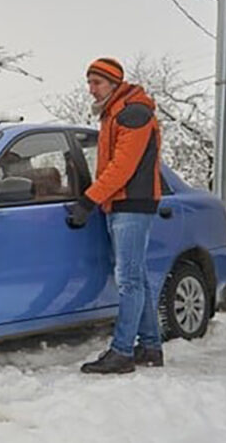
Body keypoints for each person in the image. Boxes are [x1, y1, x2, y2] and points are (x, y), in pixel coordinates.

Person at [66, 58, 164, 374]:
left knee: (129, 280)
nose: (91, 89)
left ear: (113, 83)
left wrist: (88, 201)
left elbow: (122, 168)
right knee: (138, 280)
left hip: (133, 206)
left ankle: (122, 352)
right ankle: (150, 346)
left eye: (96, 82)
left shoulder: (133, 114)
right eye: (89, 82)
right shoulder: (115, 113)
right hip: (122, 205)